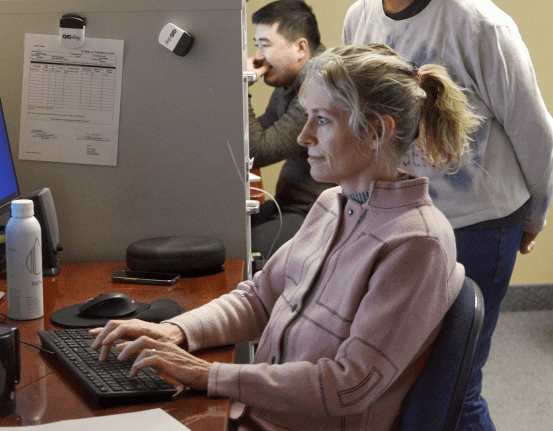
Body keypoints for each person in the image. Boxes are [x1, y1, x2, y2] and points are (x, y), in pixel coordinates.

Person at [91, 44, 480, 431]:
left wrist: (208, 375)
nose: (304, 136)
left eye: (323, 120)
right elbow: (260, 298)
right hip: (257, 416)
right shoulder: (333, 203)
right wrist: (176, 331)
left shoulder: (417, 242)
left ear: (376, 131)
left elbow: (348, 385)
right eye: (308, 118)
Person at [342, 0, 553, 431]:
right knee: (404, 383)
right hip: (400, 222)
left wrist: (535, 214)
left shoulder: (479, 23)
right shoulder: (360, 18)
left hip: (478, 224)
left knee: (454, 387)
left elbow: (536, 132)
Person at [247, 0, 331, 259]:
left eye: (266, 45)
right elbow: (257, 135)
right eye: (256, 46)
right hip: (288, 205)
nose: (258, 56)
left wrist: (240, 85)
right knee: (224, 232)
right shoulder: (288, 85)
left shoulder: (318, 87)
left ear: (301, 48)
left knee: (242, 252)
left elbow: (255, 151)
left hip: (316, 214)